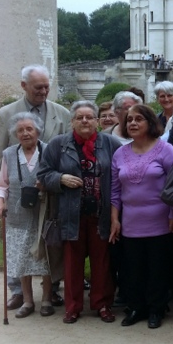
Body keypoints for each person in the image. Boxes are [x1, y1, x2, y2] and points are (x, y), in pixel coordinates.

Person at [0, 64, 70, 310]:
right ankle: (17, 292)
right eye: (38, 87)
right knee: (18, 244)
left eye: (47, 86)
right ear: (24, 86)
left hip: (50, 199)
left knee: (49, 243)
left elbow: (67, 157)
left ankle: (51, 291)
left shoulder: (62, 113)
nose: (43, 91)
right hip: (16, 199)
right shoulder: (6, 114)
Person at [37, 101, 121, 324]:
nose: (85, 121)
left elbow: (122, 173)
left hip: (100, 213)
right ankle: (72, 307)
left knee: (101, 262)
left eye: (90, 117)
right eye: (80, 117)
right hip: (70, 213)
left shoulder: (110, 143)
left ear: (97, 121)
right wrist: (60, 178)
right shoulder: (58, 145)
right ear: (72, 121)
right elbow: (43, 174)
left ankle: (102, 304)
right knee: (72, 264)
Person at [109, 105, 173, 329]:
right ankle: (136, 308)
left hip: (160, 222)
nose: (132, 123)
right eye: (129, 119)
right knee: (133, 269)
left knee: (158, 269)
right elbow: (114, 191)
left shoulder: (165, 150)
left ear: (150, 122)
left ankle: (156, 310)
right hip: (130, 223)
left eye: (139, 119)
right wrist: (114, 219)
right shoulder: (120, 153)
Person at [0, 113, 53, 318]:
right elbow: (2, 185)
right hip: (18, 216)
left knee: (45, 258)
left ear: (38, 131)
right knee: (22, 258)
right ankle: (28, 301)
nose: (25, 133)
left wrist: (46, 185)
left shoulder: (49, 151)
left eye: (29, 129)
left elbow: (57, 179)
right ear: (15, 134)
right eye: (20, 130)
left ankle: (47, 298)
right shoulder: (9, 154)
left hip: (45, 213)